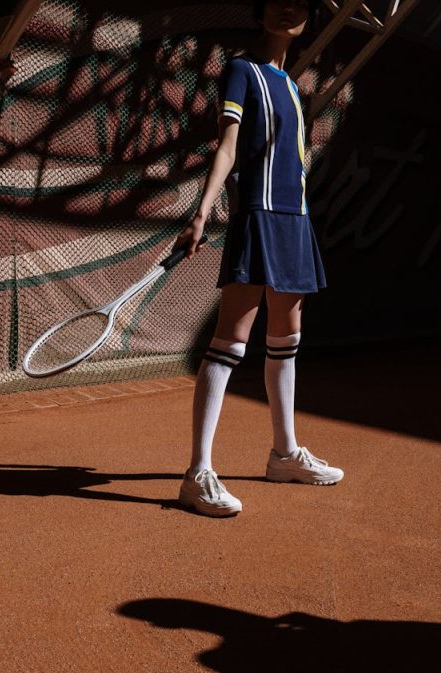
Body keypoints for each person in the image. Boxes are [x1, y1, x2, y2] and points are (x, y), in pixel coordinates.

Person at [173, 0, 343, 517]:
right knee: (229, 340)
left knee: (286, 338)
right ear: (260, 11)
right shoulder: (241, 70)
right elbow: (226, 145)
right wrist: (202, 210)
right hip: (258, 215)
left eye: (298, 1)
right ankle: (197, 472)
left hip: (294, 220)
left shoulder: (292, 85)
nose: (288, 7)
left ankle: (284, 454)